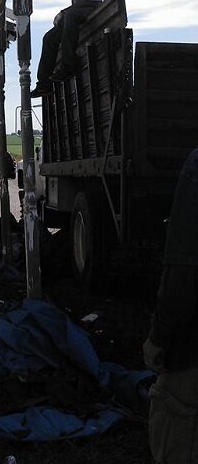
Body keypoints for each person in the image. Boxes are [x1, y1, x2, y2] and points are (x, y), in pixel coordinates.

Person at [143, 148, 198, 463]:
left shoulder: (196, 166)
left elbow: (183, 275)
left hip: (191, 354)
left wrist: (158, 339)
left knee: (176, 438)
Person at [30, 0, 113, 98]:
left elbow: (93, 1)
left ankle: (68, 66)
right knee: (49, 38)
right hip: (76, 16)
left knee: (70, 15)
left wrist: (64, 13)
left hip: (97, 12)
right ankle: (43, 84)